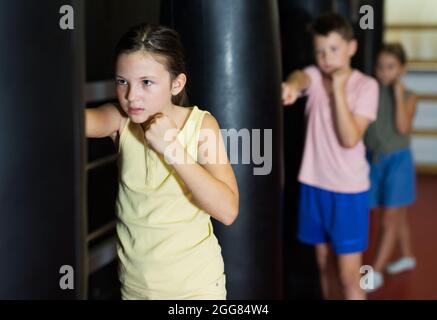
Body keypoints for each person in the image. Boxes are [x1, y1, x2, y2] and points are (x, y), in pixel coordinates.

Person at [85, 23, 239, 299]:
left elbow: (227, 210)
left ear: (176, 83)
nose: (132, 96)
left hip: (196, 290)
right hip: (135, 290)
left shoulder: (201, 126)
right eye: (123, 81)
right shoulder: (120, 120)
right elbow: (78, 121)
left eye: (146, 82)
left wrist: (172, 149)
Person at [281, 13, 379, 299]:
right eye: (320, 51)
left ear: (352, 47)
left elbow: (350, 138)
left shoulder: (366, 86)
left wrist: (337, 87)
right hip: (314, 185)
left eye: (334, 49)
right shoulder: (314, 75)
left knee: (350, 277)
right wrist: (291, 85)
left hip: (348, 191)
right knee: (323, 265)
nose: (326, 57)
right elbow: (301, 77)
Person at [364, 43, 418, 291]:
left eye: (390, 67)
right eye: (380, 66)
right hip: (375, 159)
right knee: (396, 215)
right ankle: (407, 257)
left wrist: (397, 93)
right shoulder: (371, 91)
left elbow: (402, 128)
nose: (384, 72)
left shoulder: (409, 96)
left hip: (398, 161)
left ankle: (375, 271)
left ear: (402, 69)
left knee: (390, 217)